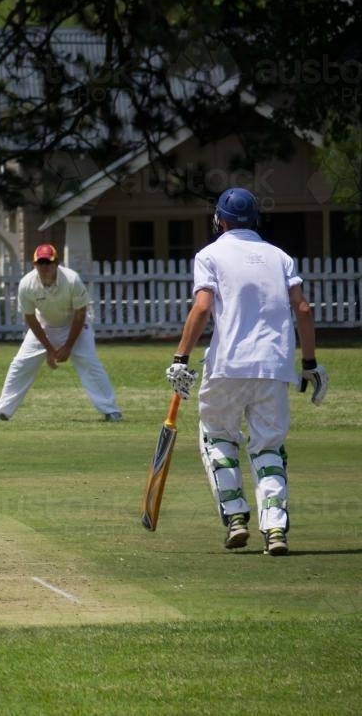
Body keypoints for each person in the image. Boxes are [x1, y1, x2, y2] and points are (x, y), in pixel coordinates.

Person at [167, 187, 327, 556]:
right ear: (255, 219)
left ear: (219, 220)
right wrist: (309, 363)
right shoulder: (281, 257)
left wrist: (180, 359)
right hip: (275, 366)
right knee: (268, 446)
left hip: (227, 365)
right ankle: (274, 529)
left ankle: (236, 517)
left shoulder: (209, 255)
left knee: (219, 439)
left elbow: (203, 307)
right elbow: (302, 309)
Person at [0, 243, 122, 422]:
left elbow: (81, 312)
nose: (44, 267)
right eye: (40, 263)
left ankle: (111, 411)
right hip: (44, 326)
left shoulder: (72, 280)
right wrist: (49, 349)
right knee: (20, 365)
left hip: (75, 325)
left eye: (48, 263)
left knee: (89, 362)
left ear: (56, 263)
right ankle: (1, 412)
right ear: (34, 265)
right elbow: (30, 318)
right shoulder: (27, 284)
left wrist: (68, 346)